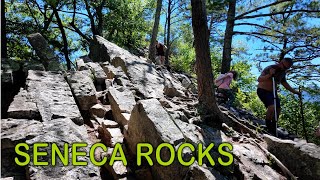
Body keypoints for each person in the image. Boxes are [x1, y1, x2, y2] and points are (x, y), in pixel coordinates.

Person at [257, 58, 301, 135]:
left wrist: (295, 92)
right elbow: (259, 79)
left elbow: (285, 83)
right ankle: (268, 126)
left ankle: (274, 126)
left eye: (287, 68)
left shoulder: (283, 73)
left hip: (272, 92)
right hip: (262, 90)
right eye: (284, 67)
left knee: (278, 109)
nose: (285, 69)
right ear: (281, 63)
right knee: (271, 107)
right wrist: (270, 74)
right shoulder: (270, 68)